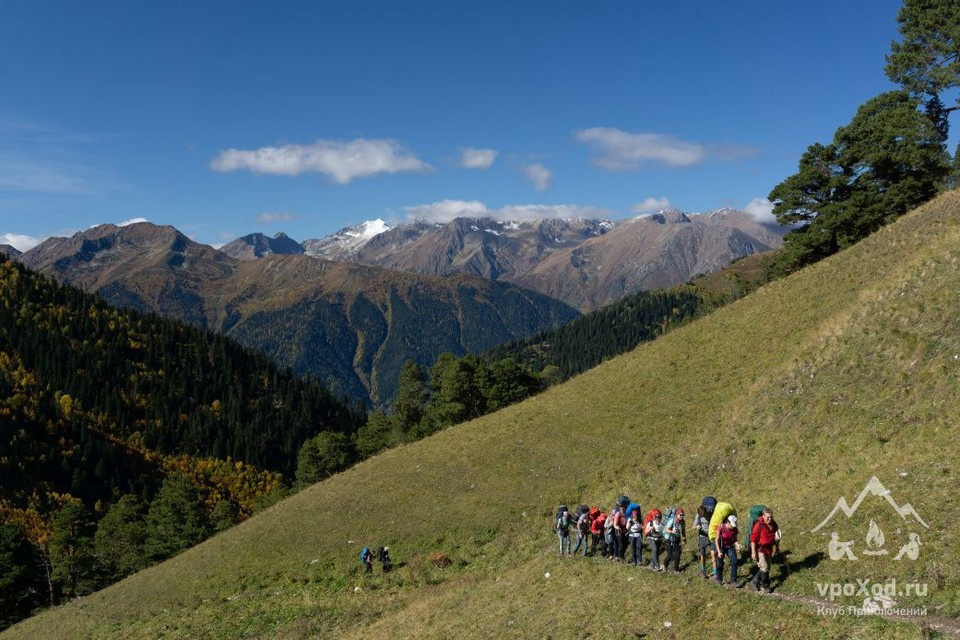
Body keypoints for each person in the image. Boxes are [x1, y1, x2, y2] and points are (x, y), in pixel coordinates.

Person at [750, 508, 779, 593]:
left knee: (766, 567)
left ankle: (755, 581)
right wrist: (753, 552)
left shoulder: (773, 524)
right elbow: (753, 539)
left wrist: (777, 548)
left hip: (769, 549)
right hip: (760, 549)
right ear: (763, 516)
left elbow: (777, 536)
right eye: (768, 517)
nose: (770, 519)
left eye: (771, 517)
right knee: (765, 567)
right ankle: (765, 586)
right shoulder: (759, 525)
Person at [714, 515, 741, 586]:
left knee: (734, 561)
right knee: (720, 563)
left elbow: (735, 539)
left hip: (730, 547)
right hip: (721, 547)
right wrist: (719, 551)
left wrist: (737, 545)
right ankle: (719, 579)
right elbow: (716, 540)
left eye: (733, 525)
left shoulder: (734, 529)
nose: (732, 526)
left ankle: (733, 581)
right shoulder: (721, 528)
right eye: (731, 525)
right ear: (728, 522)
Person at [663, 508, 686, 572]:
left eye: (683, 515)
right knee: (670, 555)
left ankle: (676, 569)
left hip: (677, 539)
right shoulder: (672, 521)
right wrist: (672, 531)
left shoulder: (683, 522)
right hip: (669, 539)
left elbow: (683, 531)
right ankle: (665, 565)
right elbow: (666, 530)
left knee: (677, 554)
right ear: (676, 515)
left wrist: (684, 538)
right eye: (680, 515)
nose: (682, 516)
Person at [693, 506, 713, 578]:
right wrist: (696, 526)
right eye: (701, 515)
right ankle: (703, 569)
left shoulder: (710, 514)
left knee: (713, 553)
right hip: (702, 536)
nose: (702, 516)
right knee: (702, 553)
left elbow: (713, 524)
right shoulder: (698, 514)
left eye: (703, 515)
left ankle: (715, 570)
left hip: (710, 535)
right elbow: (694, 524)